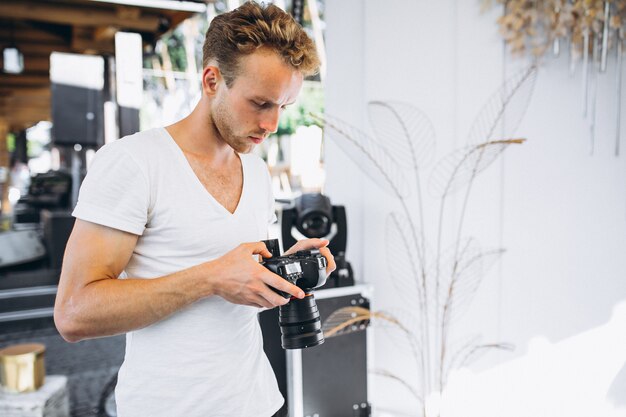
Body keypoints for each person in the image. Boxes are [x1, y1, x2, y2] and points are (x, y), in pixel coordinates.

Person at [53, 2, 335, 416]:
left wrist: (285, 269)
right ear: (211, 80)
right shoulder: (135, 162)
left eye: (283, 106)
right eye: (260, 103)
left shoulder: (256, 172)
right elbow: (74, 314)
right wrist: (210, 278)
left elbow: (240, 272)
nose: (272, 124)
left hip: (257, 402)